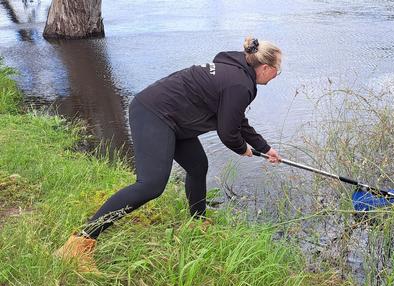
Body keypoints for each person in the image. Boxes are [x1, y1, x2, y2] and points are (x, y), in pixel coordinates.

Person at [54, 36, 282, 272]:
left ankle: (197, 222)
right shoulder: (240, 84)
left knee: (197, 166)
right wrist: (242, 149)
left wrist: (265, 148)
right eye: (277, 71)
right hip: (154, 115)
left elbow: (236, 120)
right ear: (265, 68)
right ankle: (79, 243)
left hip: (173, 119)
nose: (276, 76)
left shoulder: (233, 70)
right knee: (150, 185)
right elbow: (228, 132)